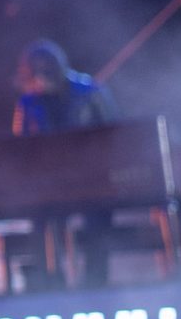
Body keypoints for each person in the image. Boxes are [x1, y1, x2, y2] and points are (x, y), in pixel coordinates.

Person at [12, 41, 118, 286]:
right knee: (40, 217)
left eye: (47, 67)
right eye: (37, 69)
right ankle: (51, 280)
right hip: (50, 185)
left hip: (93, 180)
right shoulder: (29, 103)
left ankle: (95, 279)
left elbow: (113, 132)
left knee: (98, 215)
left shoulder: (89, 91)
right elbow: (19, 147)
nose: (43, 72)